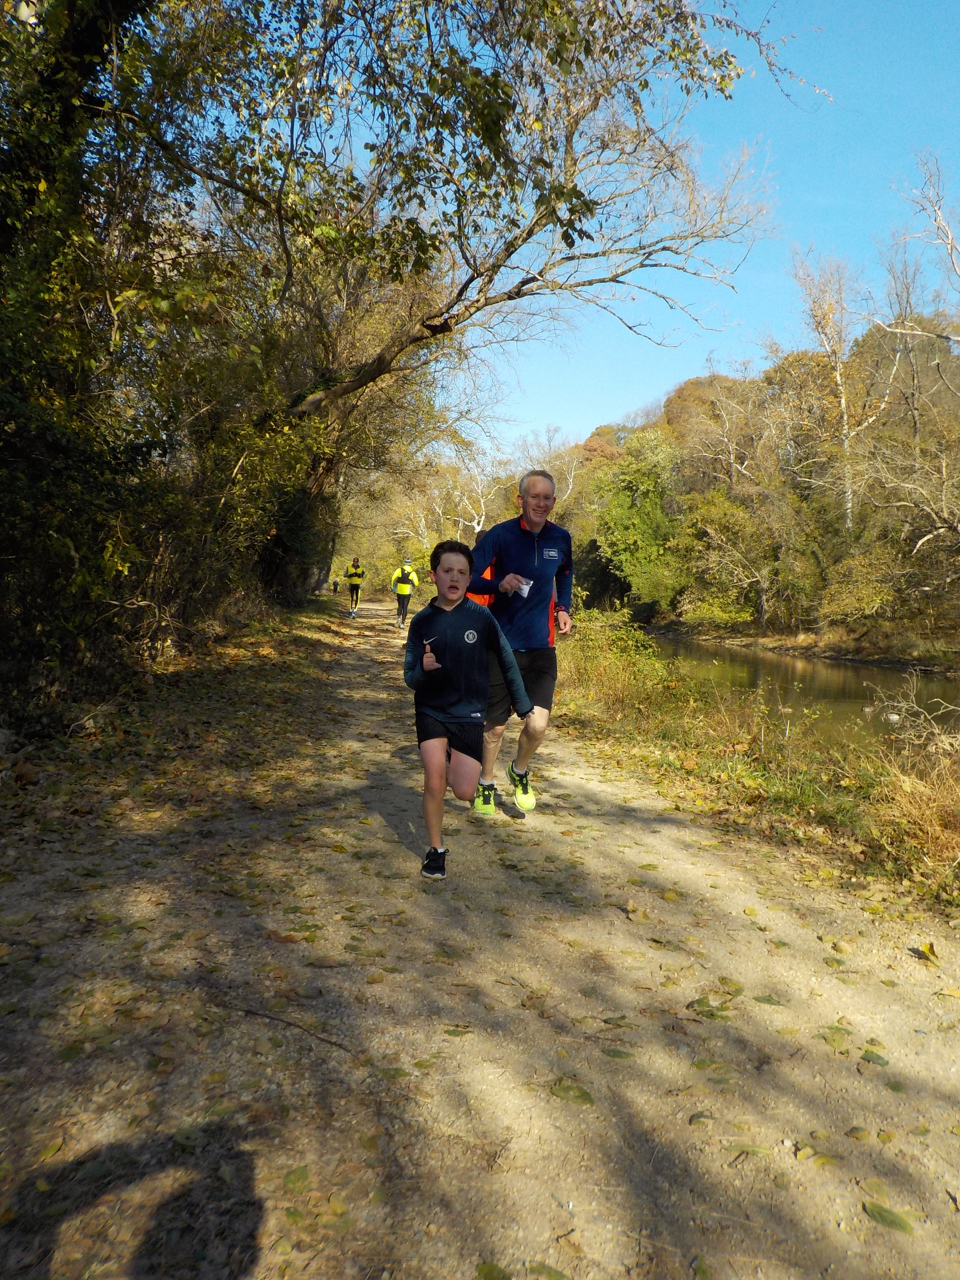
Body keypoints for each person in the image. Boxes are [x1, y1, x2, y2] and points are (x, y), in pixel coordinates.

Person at [404, 540, 534, 880]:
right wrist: (423, 669)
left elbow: (506, 660)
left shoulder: (482, 616)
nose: (454, 577)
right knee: (434, 781)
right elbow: (410, 679)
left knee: (463, 790)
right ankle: (436, 850)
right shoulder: (421, 622)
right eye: (447, 571)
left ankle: (452, 761)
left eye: (462, 572)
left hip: (469, 712)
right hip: (431, 709)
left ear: (470, 578)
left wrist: (522, 704)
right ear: (433, 576)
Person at [469, 470, 573, 815]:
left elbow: (566, 573)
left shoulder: (561, 538)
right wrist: (497, 584)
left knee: (538, 724)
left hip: (543, 647)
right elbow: (467, 576)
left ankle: (519, 771)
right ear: (521, 500)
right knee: (495, 727)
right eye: (534, 497)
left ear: (553, 502)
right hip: (502, 644)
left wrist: (563, 607)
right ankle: (485, 783)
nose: (541, 503)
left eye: (547, 498)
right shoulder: (499, 536)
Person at [465, 529, 495, 606]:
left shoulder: (466, 561)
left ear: (475, 544)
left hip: (470, 605)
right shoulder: (495, 563)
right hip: (479, 607)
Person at [390, 558, 420, 628]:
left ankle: (398, 619)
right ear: (410, 564)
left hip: (399, 590)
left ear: (404, 563)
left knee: (400, 605)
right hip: (407, 591)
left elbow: (393, 578)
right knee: (405, 607)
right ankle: (402, 623)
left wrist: (393, 587)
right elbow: (416, 583)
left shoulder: (399, 570)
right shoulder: (412, 572)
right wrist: (411, 582)